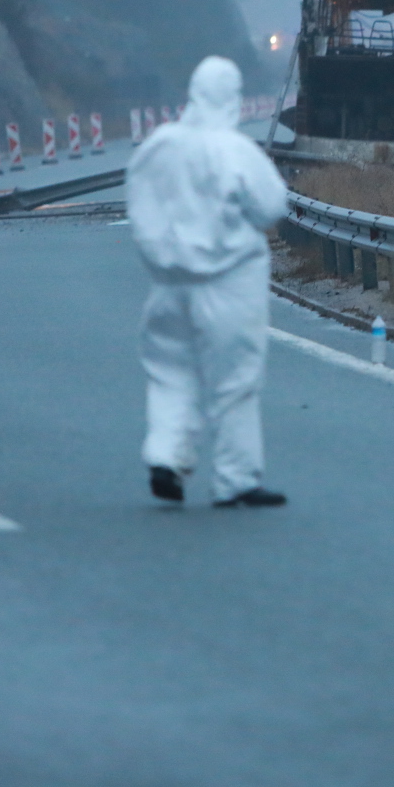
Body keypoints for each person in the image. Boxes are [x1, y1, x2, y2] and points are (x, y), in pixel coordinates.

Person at [126, 56, 291, 507]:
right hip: (228, 281)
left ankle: (166, 455)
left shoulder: (158, 146)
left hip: (167, 283)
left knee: (169, 372)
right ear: (232, 98)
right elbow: (271, 206)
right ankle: (236, 479)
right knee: (234, 381)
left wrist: (160, 253)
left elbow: (138, 206)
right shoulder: (235, 150)